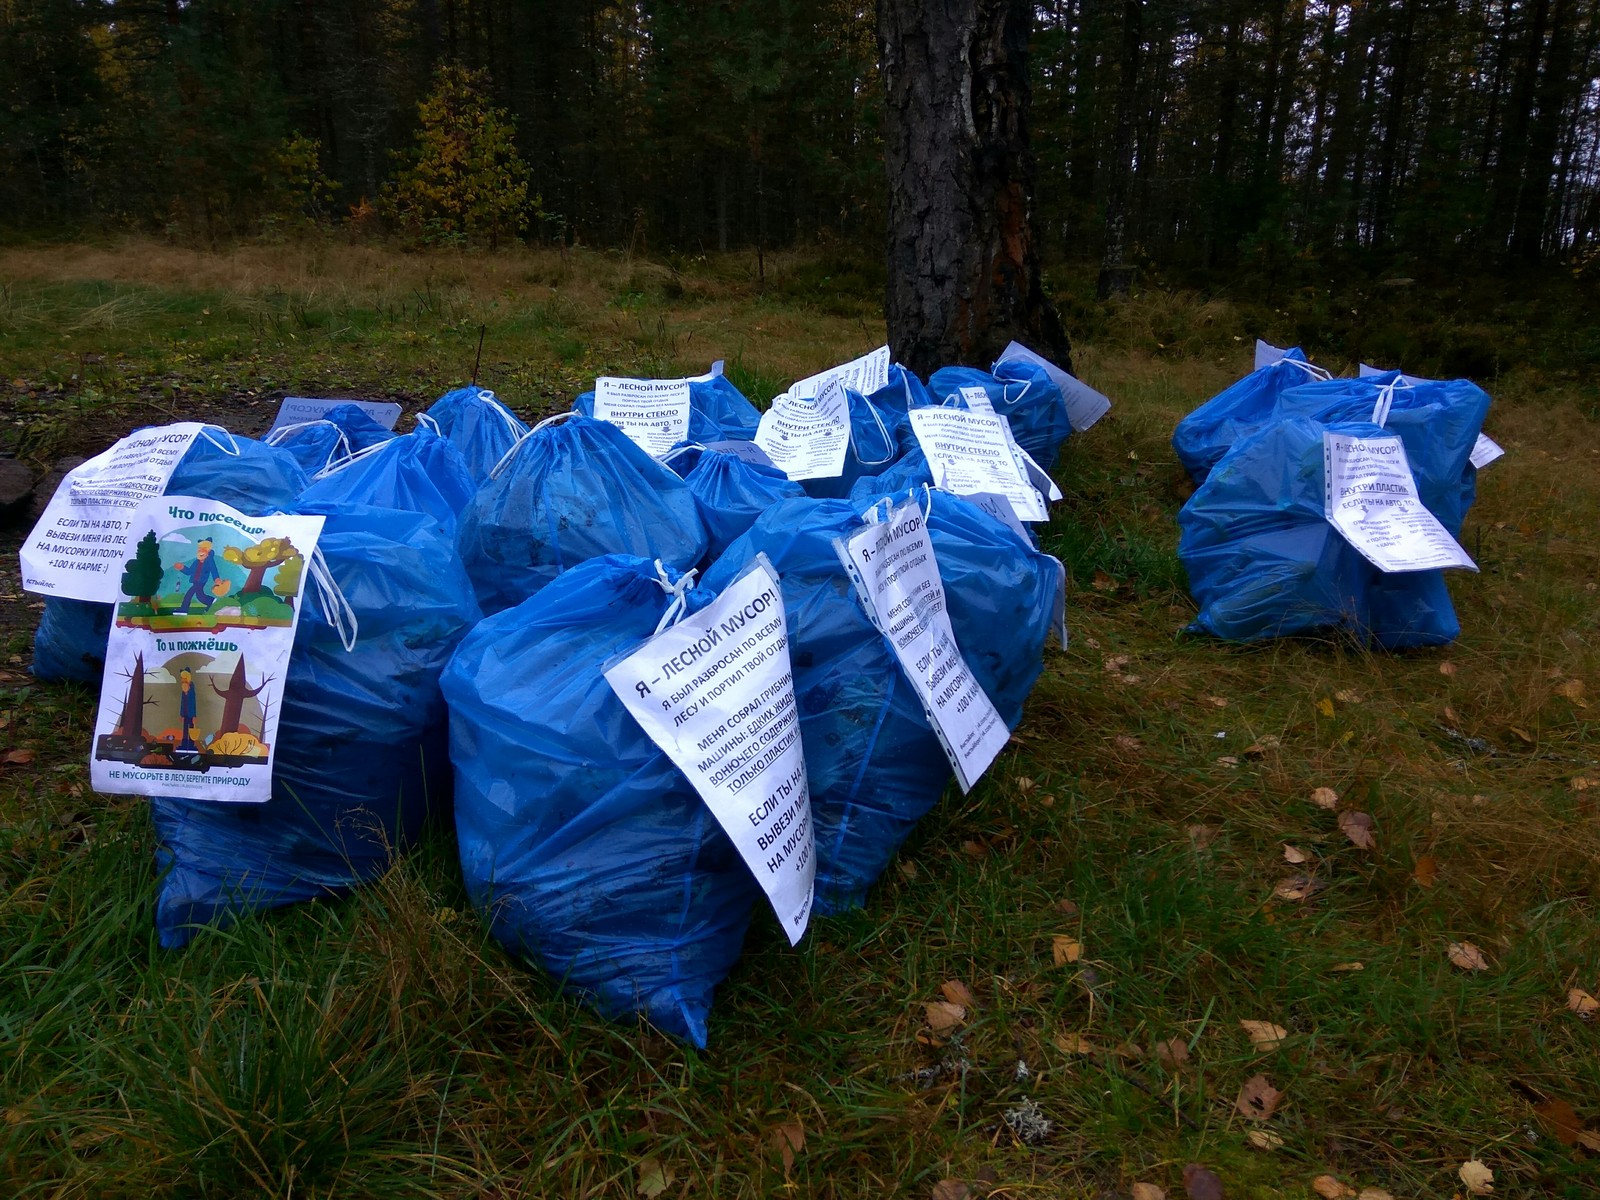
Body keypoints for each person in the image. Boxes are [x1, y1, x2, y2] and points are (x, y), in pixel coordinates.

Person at [173, 538, 221, 615]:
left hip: (201, 581)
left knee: (189, 593)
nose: (201, 551)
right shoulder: (196, 562)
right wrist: (182, 568)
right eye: (200, 549)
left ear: (208, 550)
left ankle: (183, 609)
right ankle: (212, 602)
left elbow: (213, 569)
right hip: (195, 581)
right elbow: (189, 571)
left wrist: (216, 578)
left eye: (204, 549)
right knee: (200, 596)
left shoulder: (209, 560)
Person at [177, 669, 199, 751]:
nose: (183, 680)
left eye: (184, 678)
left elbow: (193, 703)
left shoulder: (191, 688)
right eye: (182, 679)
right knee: (185, 729)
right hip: (185, 713)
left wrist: (194, 716)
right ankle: (184, 744)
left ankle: (191, 745)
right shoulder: (184, 689)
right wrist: (182, 714)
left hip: (191, 713)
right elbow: (182, 702)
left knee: (191, 729)